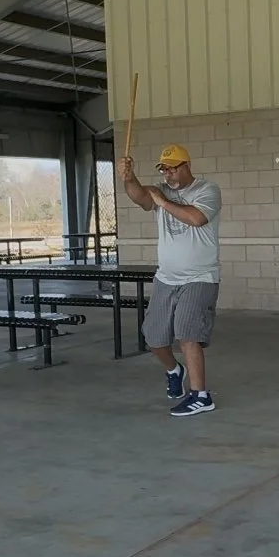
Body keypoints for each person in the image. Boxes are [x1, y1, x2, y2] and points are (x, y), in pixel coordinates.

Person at [118, 144, 222, 417]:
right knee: (153, 337)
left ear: (187, 166)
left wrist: (162, 201)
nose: (167, 174)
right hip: (166, 277)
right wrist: (129, 178)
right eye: (164, 169)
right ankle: (174, 370)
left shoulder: (207, 190)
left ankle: (200, 395)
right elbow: (140, 197)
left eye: (172, 168)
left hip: (200, 276)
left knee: (187, 334)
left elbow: (197, 218)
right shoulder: (159, 190)